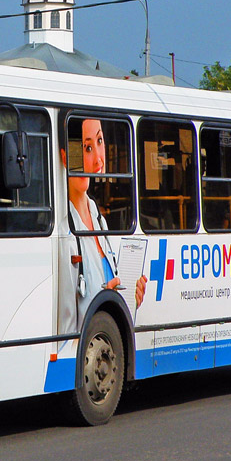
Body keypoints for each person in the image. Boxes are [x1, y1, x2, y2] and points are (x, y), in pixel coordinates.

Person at [59, 119, 146, 334]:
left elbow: (111, 283)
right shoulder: (64, 231)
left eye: (99, 141)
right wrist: (103, 301)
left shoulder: (98, 218)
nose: (98, 160)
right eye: (86, 148)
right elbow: (65, 330)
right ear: (64, 157)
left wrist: (130, 296)